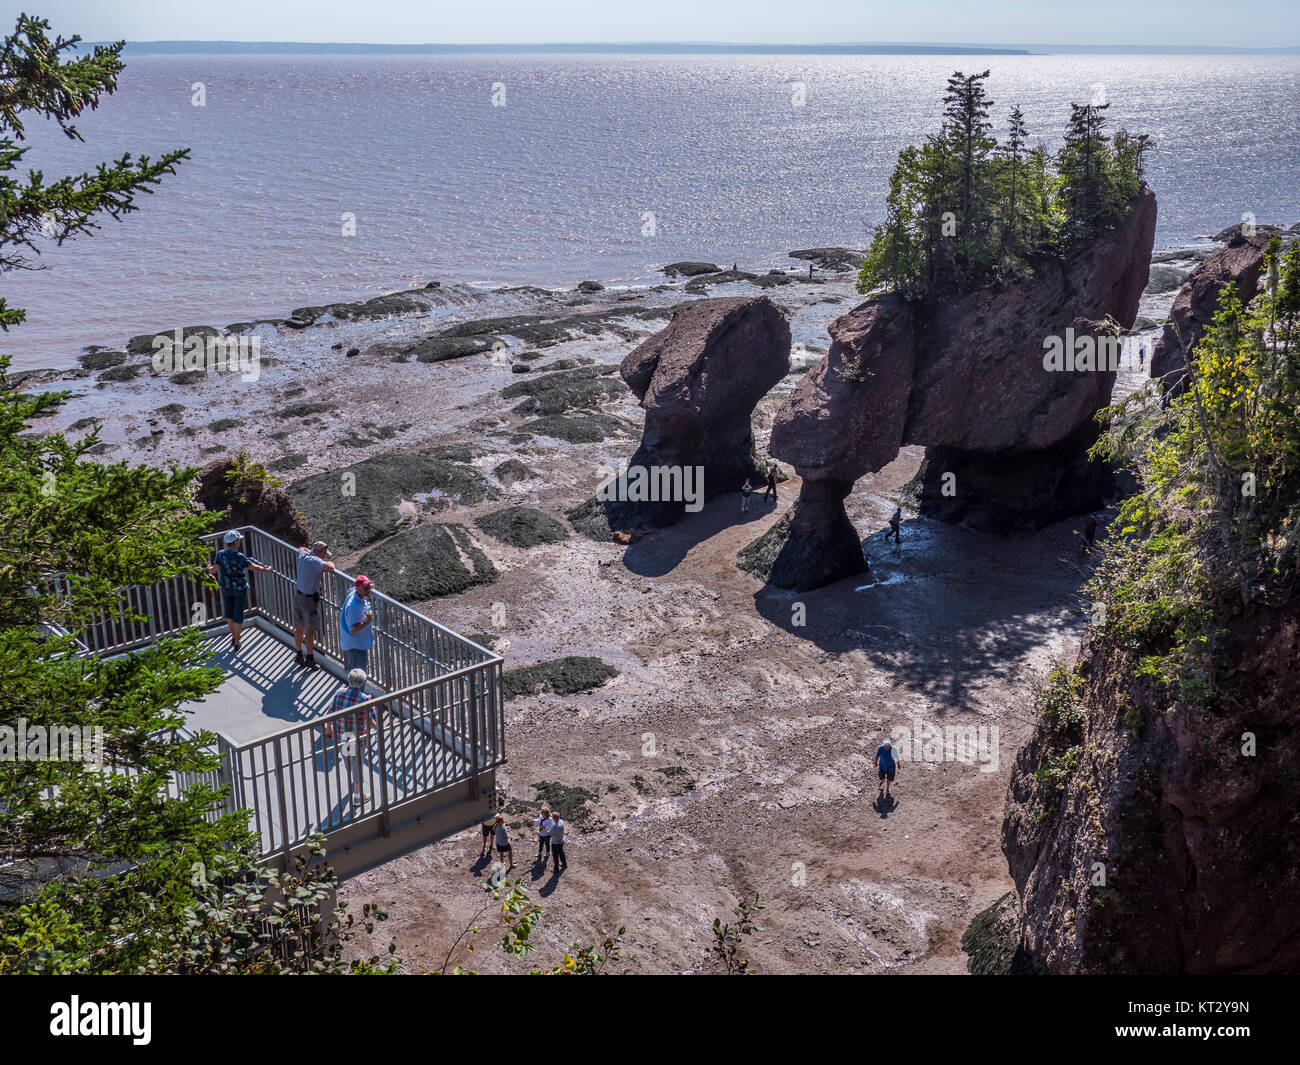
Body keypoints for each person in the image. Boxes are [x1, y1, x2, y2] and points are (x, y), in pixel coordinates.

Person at [207, 530, 272, 651]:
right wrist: (266, 569)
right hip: (239, 588)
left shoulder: (220, 554)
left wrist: (208, 567)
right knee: (237, 617)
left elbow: (214, 570)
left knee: (229, 615)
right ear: (236, 542)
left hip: (226, 587)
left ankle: (233, 636)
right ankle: (237, 641)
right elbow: (254, 567)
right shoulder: (240, 557)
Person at [322, 668, 374, 805]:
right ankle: (358, 796)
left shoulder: (339, 693)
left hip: (343, 735)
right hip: (357, 737)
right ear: (363, 683)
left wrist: (328, 728)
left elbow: (329, 712)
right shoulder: (365, 699)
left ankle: (356, 783)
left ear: (349, 680)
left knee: (349, 761)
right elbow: (371, 720)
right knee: (357, 763)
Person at [294, 539, 335, 670]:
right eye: (324, 553)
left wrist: (307, 550)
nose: (324, 556)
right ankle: (310, 658)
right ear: (319, 552)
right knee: (310, 631)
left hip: (298, 596)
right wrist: (329, 562)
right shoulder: (316, 561)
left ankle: (299, 654)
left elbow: (301, 547)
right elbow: (330, 567)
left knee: (299, 626)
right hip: (308, 600)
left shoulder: (303, 555)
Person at [339, 575, 375, 672]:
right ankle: (354, 688)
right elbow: (353, 629)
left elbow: (351, 589)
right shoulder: (354, 607)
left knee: (355, 675)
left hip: (357, 644)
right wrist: (367, 621)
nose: (369, 590)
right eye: (366, 588)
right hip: (356, 646)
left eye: (369, 588)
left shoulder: (354, 593)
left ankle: (352, 687)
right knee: (359, 677)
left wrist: (368, 585)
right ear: (358, 589)